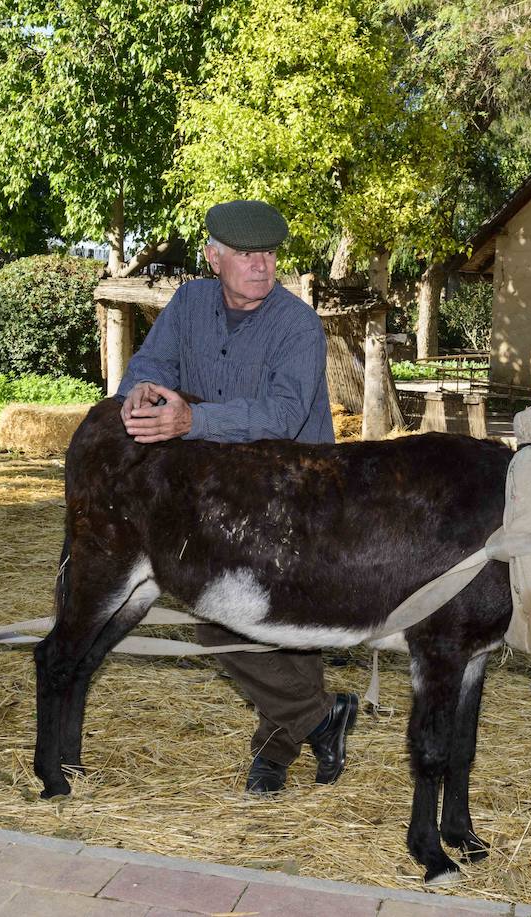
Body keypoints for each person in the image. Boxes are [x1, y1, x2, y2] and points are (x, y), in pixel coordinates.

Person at [115, 199, 358, 795]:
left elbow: (282, 414)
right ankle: (319, 719)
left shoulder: (298, 325)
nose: (262, 265)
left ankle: (283, 745)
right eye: (247, 254)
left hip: (297, 496)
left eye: (270, 254)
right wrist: (136, 394)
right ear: (213, 256)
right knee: (250, 624)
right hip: (222, 499)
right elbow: (148, 362)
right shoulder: (189, 304)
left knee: (255, 623)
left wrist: (190, 422)